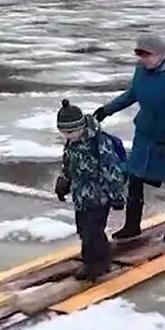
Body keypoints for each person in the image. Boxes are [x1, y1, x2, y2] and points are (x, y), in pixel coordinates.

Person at [94, 34, 165, 242]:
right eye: (140, 55)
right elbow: (132, 94)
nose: (143, 60)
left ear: (161, 54)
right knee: (135, 178)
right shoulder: (141, 71)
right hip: (146, 133)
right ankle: (132, 225)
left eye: (147, 55)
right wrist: (107, 110)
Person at [55, 98, 112, 281]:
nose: (69, 135)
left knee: (94, 231)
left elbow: (111, 169)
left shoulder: (98, 142)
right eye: (64, 132)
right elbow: (68, 165)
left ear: (81, 126)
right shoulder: (71, 144)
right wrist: (64, 183)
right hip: (81, 195)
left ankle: (101, 263)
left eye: (71, 131)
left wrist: (116, 194)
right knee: (83, 230)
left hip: (99, 195)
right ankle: (88, 262)